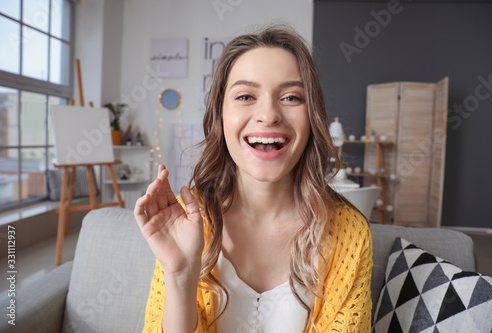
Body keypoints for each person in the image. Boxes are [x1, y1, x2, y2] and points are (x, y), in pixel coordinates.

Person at [135, 25, 373, 333]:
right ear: (219, 115)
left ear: (313, 114)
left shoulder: (349, 232)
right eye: (246, 95)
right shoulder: (185, 220)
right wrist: (180, 274)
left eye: (291, 97)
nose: (269, 114)